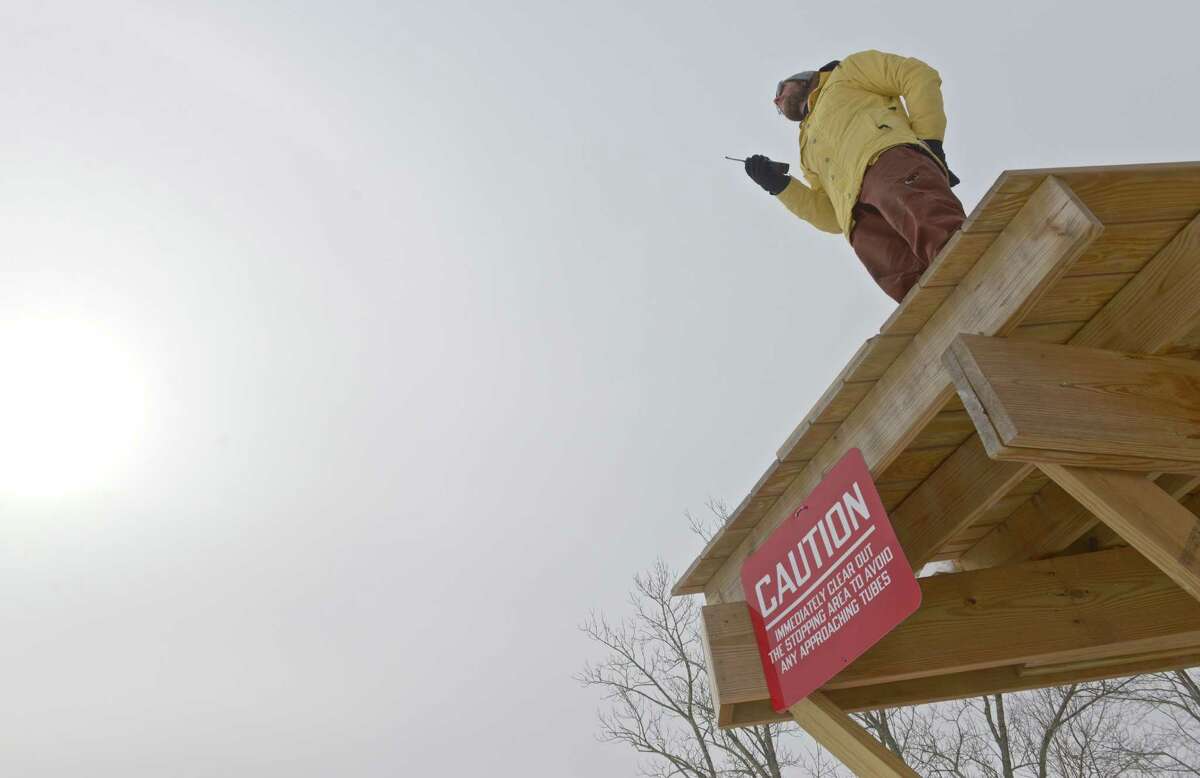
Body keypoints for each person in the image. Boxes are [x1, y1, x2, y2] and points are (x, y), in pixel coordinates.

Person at [744, 51, 965, 302]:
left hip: (885, 162)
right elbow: (831, 216)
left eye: (781, 88)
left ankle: (977, 269)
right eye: (776, 104)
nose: (777, 99)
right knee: (911, 286)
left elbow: (915, 74)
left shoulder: (847, 72)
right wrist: (780, 186)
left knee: (941, 238)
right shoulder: (807, 149)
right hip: (856, 219)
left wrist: (929, 140)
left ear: (804, 79)